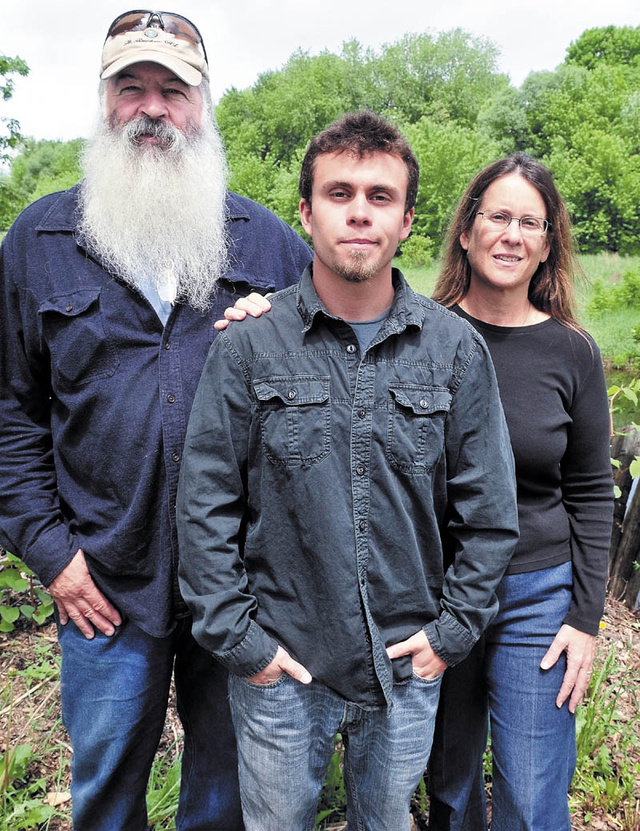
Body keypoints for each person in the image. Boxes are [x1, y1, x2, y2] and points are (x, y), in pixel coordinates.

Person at [0, 10, 311, 831]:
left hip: (240, 587)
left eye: (172, 89)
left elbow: (325, 404)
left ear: (203, 103)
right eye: (130, 86)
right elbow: (9, 414)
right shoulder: (39, 240)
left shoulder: (271, 247)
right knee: (105, 795)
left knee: (225, 797)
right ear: (103, 99)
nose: (151, 108)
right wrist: (51, 555)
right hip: (103, 581)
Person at [176, 110, 520, 831]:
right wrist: (241, 640)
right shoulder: (248, 346)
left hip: (406, 663)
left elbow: (489, 514)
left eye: (380, 196)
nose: (359, 212)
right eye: (339, 194)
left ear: (407, 220)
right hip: (280, 663)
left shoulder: (455, 350)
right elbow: (205, 505)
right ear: (306, 213)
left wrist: (451, 634)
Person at [425, 154, 614, 831]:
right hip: (438, 592)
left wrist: (584, 619)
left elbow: (591, 491)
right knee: (449, 786)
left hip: (538, 594)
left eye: (529, 222)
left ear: (548, 244)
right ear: (467, 231)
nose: (511, 234)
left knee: (532, 800)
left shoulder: (572, 352)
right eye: (498, 216)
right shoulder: (421, 335)